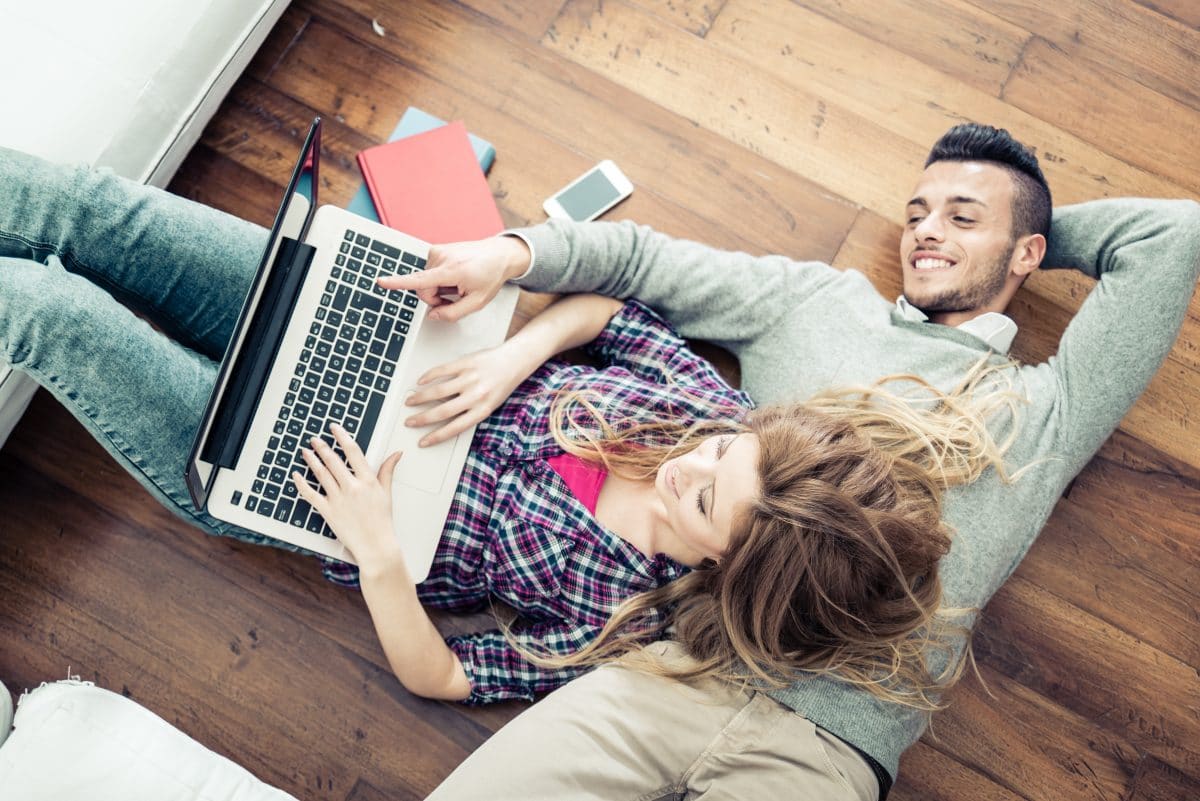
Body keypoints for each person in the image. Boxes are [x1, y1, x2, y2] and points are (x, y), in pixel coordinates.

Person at [0, 142, 1005, 712]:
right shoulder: (716, 420)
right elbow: (611, 314)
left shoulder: (633, 623)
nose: (688, 462)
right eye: (717, 450)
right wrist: (512, 356)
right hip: (365, 340)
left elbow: (442, 674)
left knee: (48, 312)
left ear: (724, 567)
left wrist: (381, 557)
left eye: (703, 495)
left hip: (296, 481)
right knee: (92, 213)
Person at [369, 123, 1200, 800]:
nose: (926, 231)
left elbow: (1174, 236)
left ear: (1026, 252)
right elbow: (643, 264)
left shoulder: (1046, 409)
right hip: (674, 667)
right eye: (917, 212)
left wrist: (1029, 231)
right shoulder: (818, 304)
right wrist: (513, 255)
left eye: (961, 214)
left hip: (828, 748)